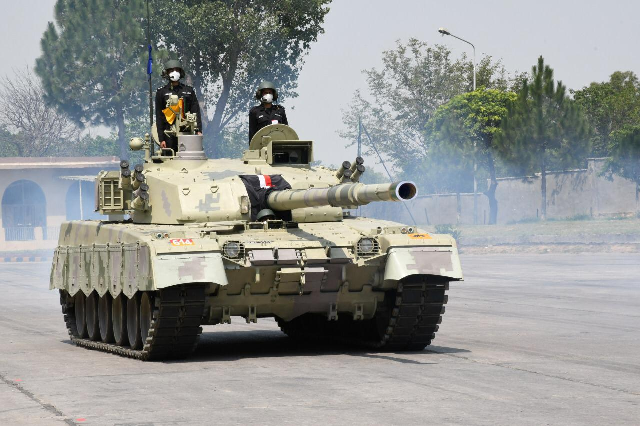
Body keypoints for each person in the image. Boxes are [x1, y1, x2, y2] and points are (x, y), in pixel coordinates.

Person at [155, 59, 202, 154]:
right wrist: (161, 139)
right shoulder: (161, 92)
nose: (174, 72)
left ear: (181, 72)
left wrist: (198, 131)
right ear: (167, 73)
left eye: (177, 69)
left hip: (187, 132)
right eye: (171, 70)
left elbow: (195, 111)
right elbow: (159, 117)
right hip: (168, 133)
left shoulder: (189, 91)